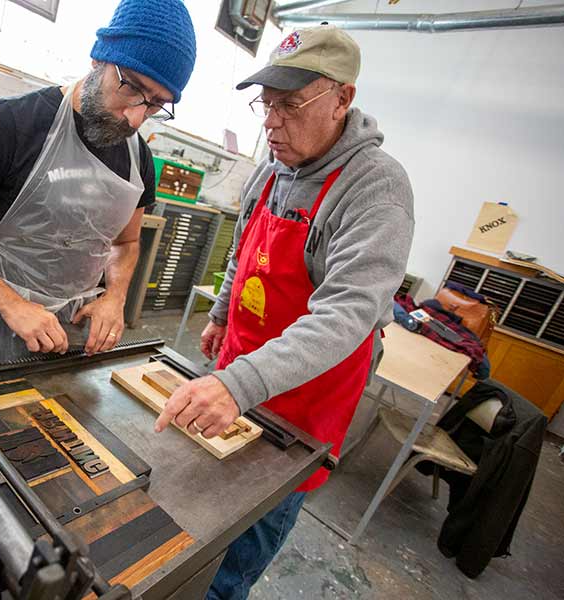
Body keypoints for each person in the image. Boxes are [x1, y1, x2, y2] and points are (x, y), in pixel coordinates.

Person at [152, 26, 415, 599]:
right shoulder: (270, 169)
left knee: (252, 528)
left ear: (342, 99)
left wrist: (239, 381)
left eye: (290, 106)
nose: (271, 122)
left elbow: (347, 314)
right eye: (266, 105)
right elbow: (245, 246)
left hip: (307, 393)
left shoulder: (376, 188)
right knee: (199, 508)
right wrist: (222, 313)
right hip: (242, 369)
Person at [0, 0, 196, 370]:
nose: (135, 117)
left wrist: (115, 297)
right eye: (131, 88)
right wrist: (11, 303)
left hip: (73, 331)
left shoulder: (139, 161)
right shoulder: (8, 124)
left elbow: (126, 243)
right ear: (99, 58)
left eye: (157, 105)